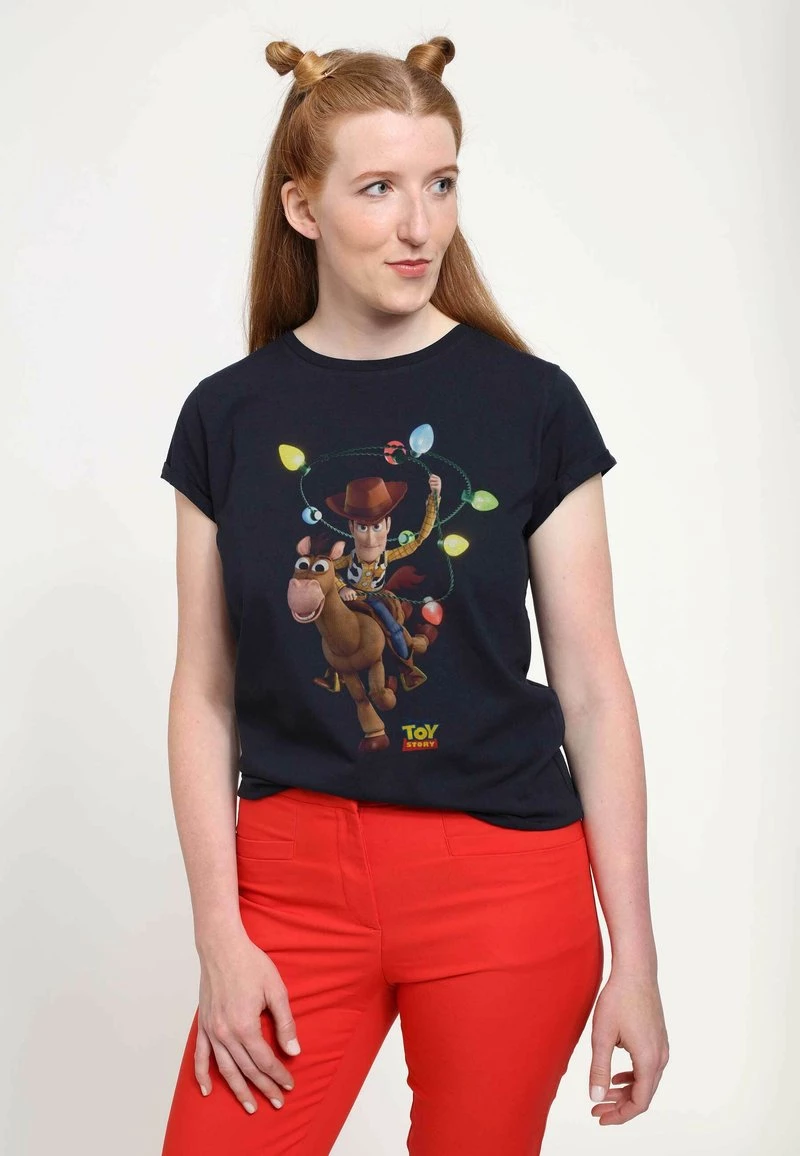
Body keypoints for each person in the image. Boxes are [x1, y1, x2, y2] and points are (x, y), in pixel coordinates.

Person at [158, 34, 669, 1156]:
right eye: (379, 188)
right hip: (289, 883)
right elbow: (204, 692)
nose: (419, 226)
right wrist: (218, 933)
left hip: (502, 882)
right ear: (302, 207)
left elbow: (592, 689)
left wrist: (634, 956)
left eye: (440, 184)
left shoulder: (531, 404)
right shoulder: (226, 418)